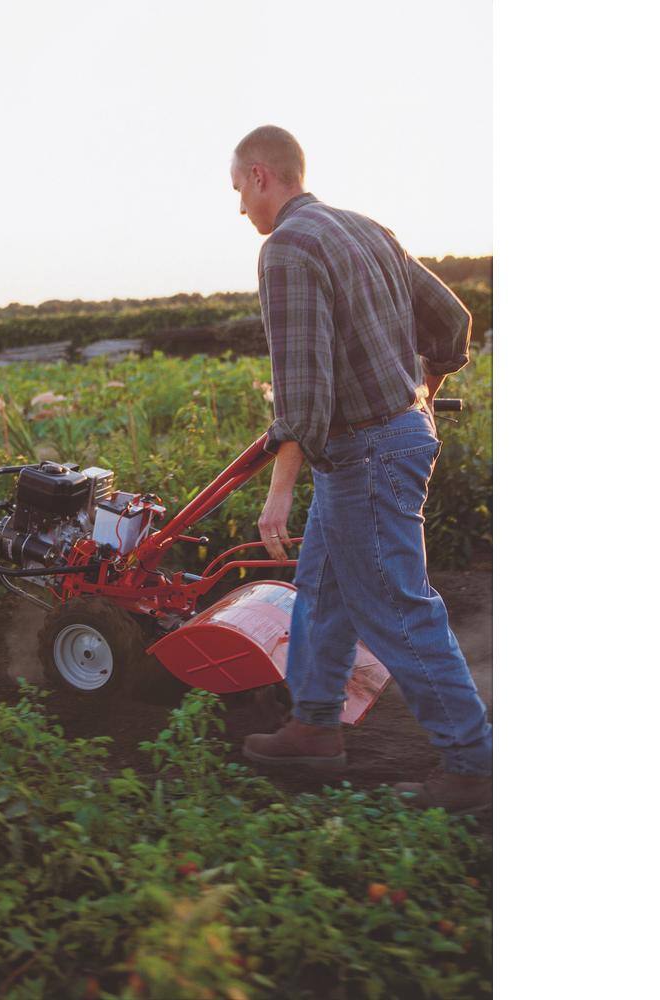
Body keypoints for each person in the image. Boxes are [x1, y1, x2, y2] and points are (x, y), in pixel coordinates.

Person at [230, 125, 492, 814]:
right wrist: (425, 389)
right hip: (390, 439)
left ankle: (473, 764)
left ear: (262, 176)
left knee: (398, 608)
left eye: (238, 192)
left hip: (366, 450)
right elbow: (453, 318)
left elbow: (303, 396)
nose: (240, 211)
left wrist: (278, 494)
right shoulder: (365, 228)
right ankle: (314, 725)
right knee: (321, 585)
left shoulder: (285, 247)